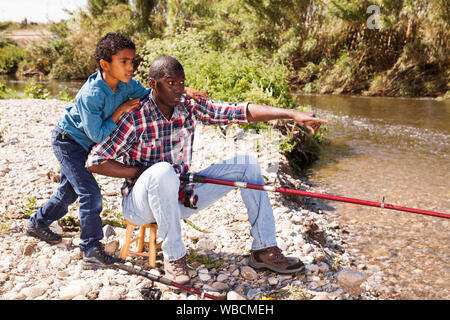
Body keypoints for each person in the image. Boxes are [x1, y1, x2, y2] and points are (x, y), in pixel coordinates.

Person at [86, 56, 327, 283]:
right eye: (171, 83)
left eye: (181, 83)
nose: (178, 89)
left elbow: (238, 112)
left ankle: (263, 250)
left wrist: (290, 114)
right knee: (162, 171)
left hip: (182, 197)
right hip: (140, 207)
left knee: (247, 164)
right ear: (153, 84)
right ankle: (174, 257)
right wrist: (137, 172)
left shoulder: (188, 107)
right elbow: (95, 160)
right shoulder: (136, 117)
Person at [26, 34, 207, 269]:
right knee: (89, 193)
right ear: (105, 65)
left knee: (70, 192)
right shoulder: (92, 95)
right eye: (124, 61)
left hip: (89, 145)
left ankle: (37, 223)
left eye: (132, 61)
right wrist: (120, 110)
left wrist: (181, 90)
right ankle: (90, 247)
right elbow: (99, 136)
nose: (130, 67)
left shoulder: (126, 83)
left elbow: (149, 93)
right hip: (69, 142)